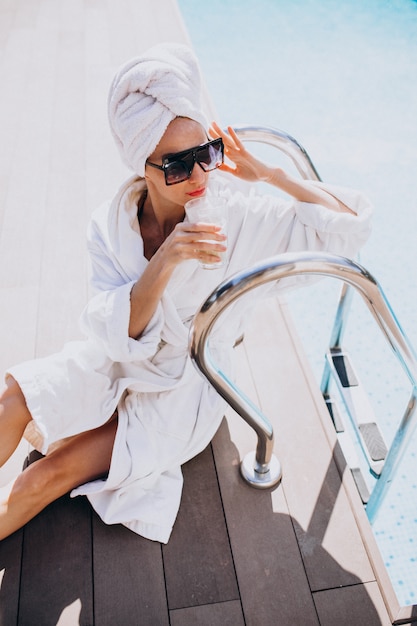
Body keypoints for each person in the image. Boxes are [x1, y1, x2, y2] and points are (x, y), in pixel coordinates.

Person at [0, 42, 372, 544]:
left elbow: (348, 229)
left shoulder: (233, 219)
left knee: (42, 476)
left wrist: (269, 174)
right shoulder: (110, 227)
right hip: (113, 362)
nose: (199, 176)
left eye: (205, 155)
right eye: (177, 164)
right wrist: (168, 258)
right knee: (13, 397)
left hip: (181, 387)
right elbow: (119, 337)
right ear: (142, 168)